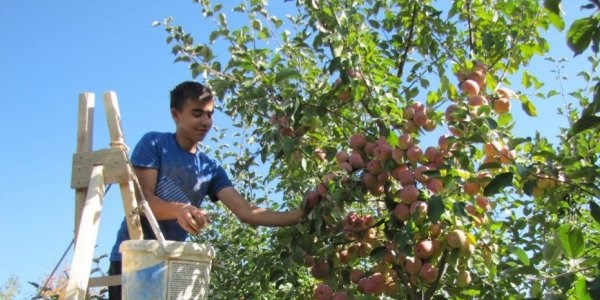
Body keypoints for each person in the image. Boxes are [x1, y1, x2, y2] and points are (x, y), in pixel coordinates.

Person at [107, 81, 306, 300]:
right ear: (176, 114)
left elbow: (247, 212)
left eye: (210, 115)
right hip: (134, 258)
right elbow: (140, 201)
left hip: (171, 261)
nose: (206, 121)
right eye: (197, 114)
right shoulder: (155, 144)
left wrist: (298, 215)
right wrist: (179, 210)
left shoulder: (209, 169)